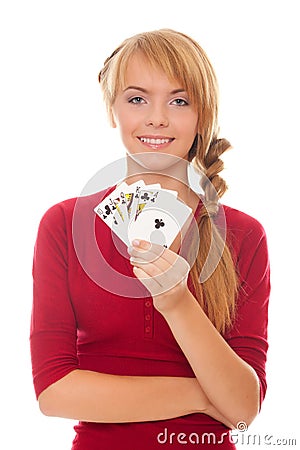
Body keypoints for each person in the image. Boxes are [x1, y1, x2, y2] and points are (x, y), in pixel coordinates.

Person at [30, 29, 270, 449]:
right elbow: (54, 393)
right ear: (113, 109)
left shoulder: (244, 236)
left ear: (203, 115)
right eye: (137, 98)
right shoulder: (64, 225)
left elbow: (245, 410)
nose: (157, 117)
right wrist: (203, 395)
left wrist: (177, 303)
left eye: (179, 101)